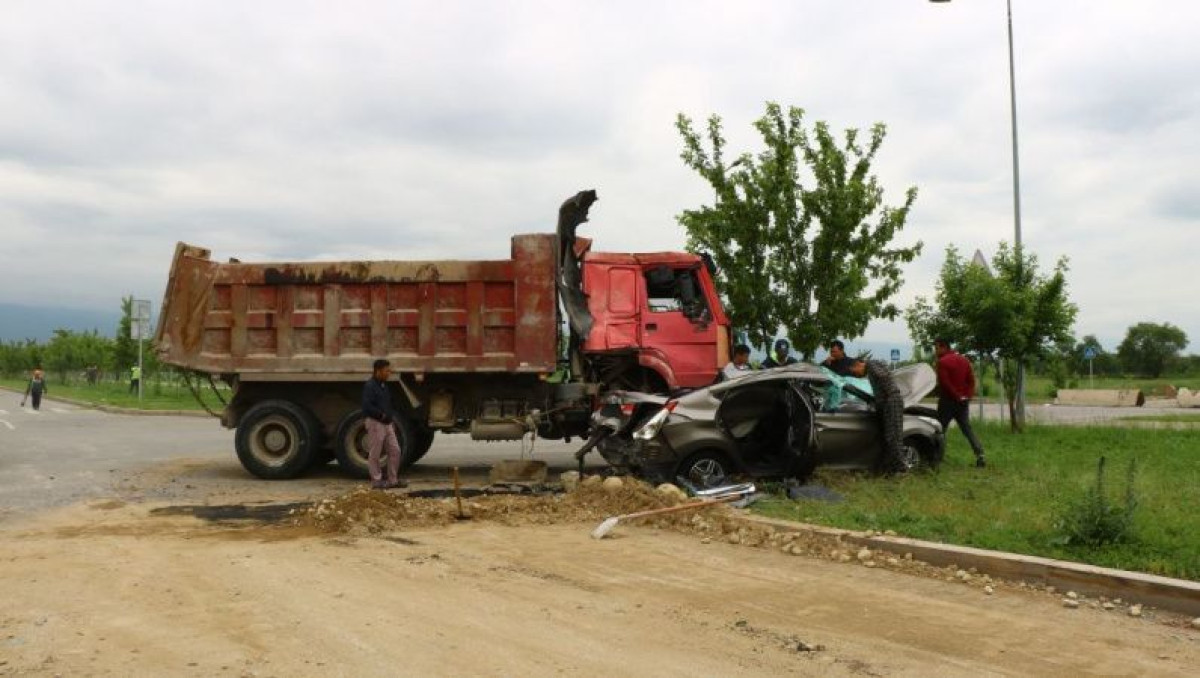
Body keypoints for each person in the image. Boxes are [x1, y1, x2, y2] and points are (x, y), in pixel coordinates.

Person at [934, 339, 986, 468]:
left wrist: (956, 396)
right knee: (967, 429)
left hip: (947, 401)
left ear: (944, 347)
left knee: (940, 430)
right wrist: (967, 396)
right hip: (963, 402)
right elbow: (971, 380)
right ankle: (980, 455)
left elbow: (945, 383)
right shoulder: (964, 360)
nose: (936, 352)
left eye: (937, 348)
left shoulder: (942, 362)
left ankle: (937, 458)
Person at [361, 359, 408, 489]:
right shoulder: (370, 386)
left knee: (395, 451)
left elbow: (388, 404)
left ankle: (393, 480)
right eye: (386, 370)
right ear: (378, 371)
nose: (389, 373)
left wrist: (390, 419)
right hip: (376, 423)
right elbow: (366, 406)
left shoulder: (384, 386)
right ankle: (377, 481)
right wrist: (381, 415)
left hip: (387, 424)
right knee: (375, 453)